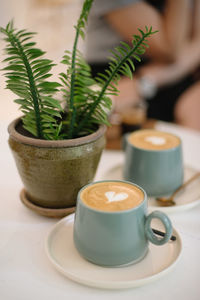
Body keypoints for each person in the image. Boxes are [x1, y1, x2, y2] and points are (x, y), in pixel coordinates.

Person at [85, 0, 200, 131]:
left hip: (170, 72)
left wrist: (146, 81)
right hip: (113, 73)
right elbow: (169, 51)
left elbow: (197, 42)